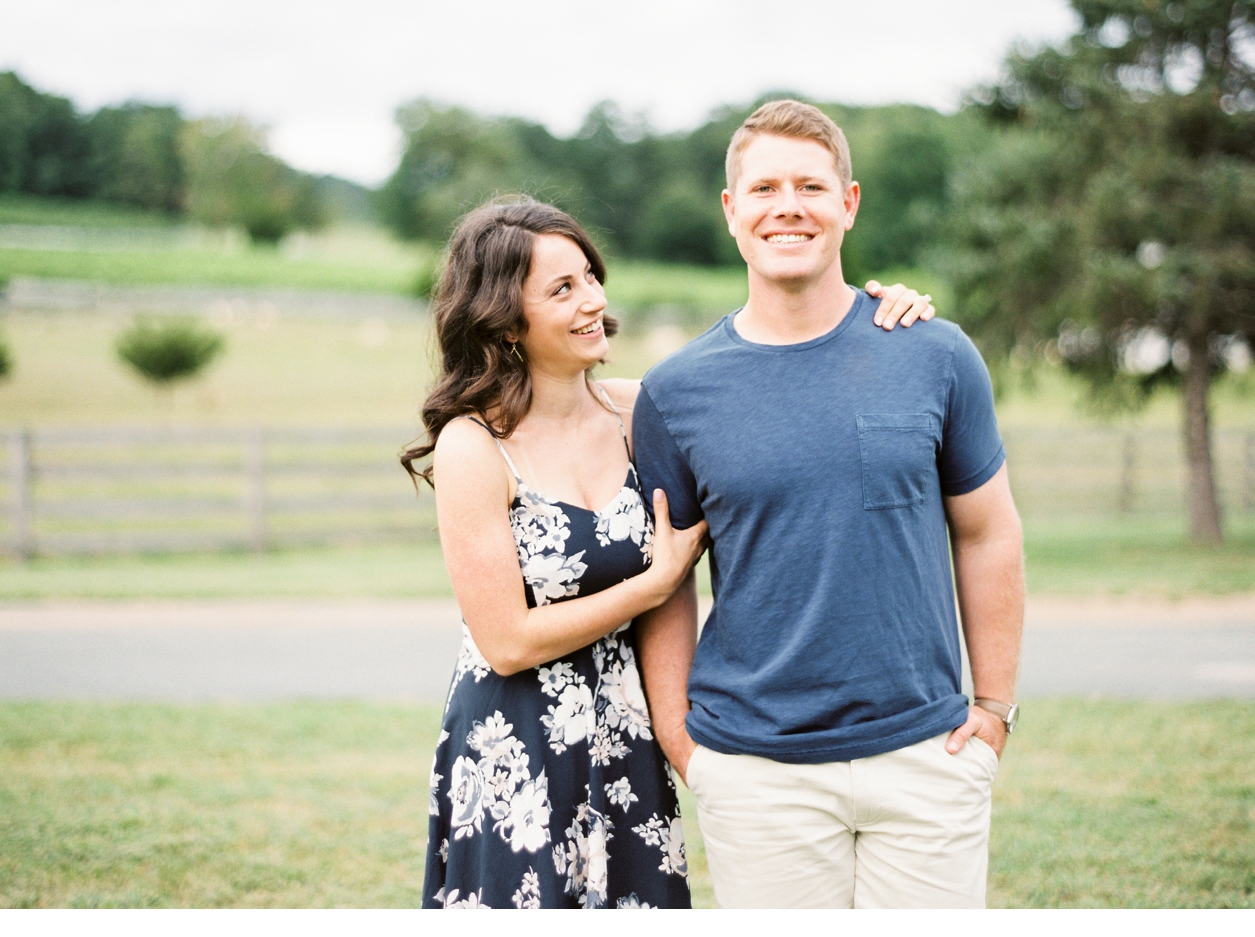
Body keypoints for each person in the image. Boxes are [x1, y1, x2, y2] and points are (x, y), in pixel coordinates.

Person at [405, 196, 935, 909]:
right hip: (516, 746)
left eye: (590, 275)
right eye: (562, 289)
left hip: (630, 735)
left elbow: (771, 383)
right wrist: (651, 586)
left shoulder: (641, 411)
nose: (593, 299)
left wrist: (877, 320)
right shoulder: (475, 444)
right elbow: (505, 642)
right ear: (504, 322)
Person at [632, 100, 1025, 909]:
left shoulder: (933, 354)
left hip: (927, 754)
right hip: (757, 768)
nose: (788, 206)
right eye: (765, 186)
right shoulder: (675, 393)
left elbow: (987, 535)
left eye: (811, 186)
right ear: (732, 210)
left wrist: (993, 709)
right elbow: (665, 582)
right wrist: (684, 744)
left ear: (848, 204)